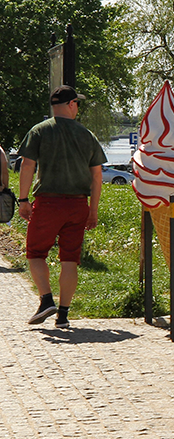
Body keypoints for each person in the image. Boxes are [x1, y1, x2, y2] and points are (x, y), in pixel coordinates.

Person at [18, 85, 106, 329]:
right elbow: (97, 177)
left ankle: (46, 299)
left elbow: (27, 166)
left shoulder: (39, 131)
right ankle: (63, 315)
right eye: (77, 103)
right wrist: (93, 210)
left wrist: (23, 200)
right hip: (78, 204)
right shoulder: (86, 135)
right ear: (71, 104)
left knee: (35, 253)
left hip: (47, 203)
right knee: (70, 259)